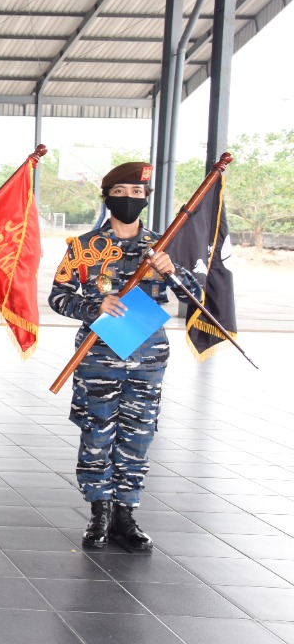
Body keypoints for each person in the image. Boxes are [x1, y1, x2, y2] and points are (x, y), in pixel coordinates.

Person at [49, 161, 200, 552]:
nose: (130, 200)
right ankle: (99, 513)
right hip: (99, 358)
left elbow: (194, 296)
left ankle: (125, 514)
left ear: (146, 198)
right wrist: (94, 307)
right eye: (122, 193)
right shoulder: (83, 247)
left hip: (147, 358)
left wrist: (172, 273)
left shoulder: (161, 246)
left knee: (138, 436)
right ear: (107, 196)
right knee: (97, 433)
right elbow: (58, 297)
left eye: (138, 194)